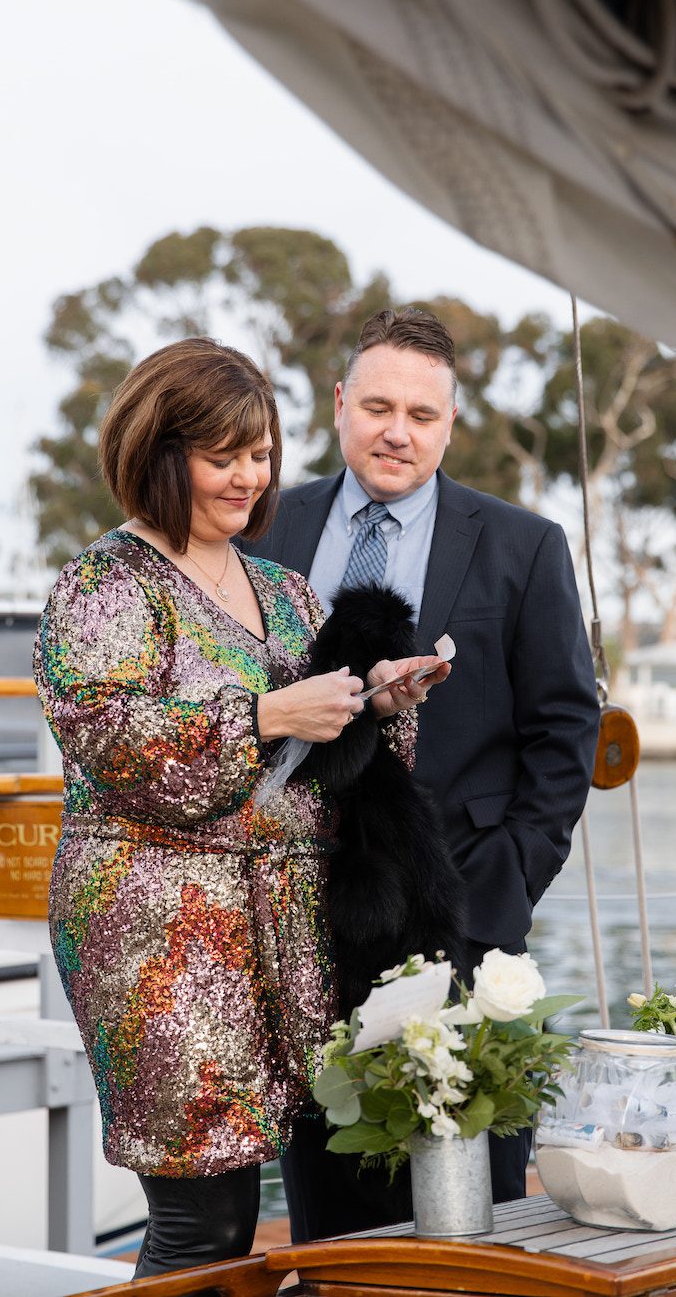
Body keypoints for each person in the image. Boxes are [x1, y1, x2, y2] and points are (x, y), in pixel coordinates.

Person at [32, 337, 449, 1277]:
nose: (249, 477)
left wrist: (379, 706)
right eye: (224, 456)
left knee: (246, 1208)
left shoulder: (285, 591)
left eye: (260, 454)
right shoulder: (106, 584)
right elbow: (114, 740)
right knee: (200, 1216)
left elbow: (317, 764)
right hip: (160, 929)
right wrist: (266, 712)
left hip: (277, 924)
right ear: (159, 451)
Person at [243, 307, 600, 1239]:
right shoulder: (264, 529)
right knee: (329, 1199)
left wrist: (513, 875)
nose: (397, 430)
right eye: (377, 406)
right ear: (338, 406)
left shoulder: (524, 546)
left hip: (467, 911)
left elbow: (566, 727)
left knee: (475, 1206)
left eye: (422, 414)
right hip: (301, 915)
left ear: (450, 424)